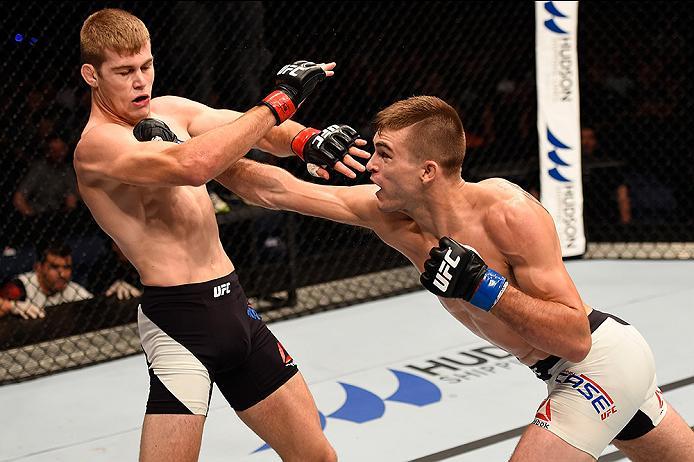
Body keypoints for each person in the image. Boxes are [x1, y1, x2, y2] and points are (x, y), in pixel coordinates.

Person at [219, 96, 694, 461]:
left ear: (427, 170)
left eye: (384, 155)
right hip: (555, 370)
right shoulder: (389, 217)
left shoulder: (505, 212)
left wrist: (485, 287)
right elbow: (276, 189)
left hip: (600, 361)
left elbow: (574, 338)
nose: (370, 166)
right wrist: (187, 151)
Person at [74, 8, 367, 462]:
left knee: (318, 458)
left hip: (234, 306)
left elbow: (245, 129)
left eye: (146, 66)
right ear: (91, 74)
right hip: (180, 324)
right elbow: (192, 166)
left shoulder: (170, 110)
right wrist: (280, 101)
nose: (140, 82)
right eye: (124, 72)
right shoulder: (97, 146)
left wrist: (306, 139)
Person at [0, 240, 93, 319]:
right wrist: (12, 306)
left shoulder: (73, 289)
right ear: (38, 268)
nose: (62, 274)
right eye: (54, 267)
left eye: (66, 267)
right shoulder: (20, 286)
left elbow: (95, 306)